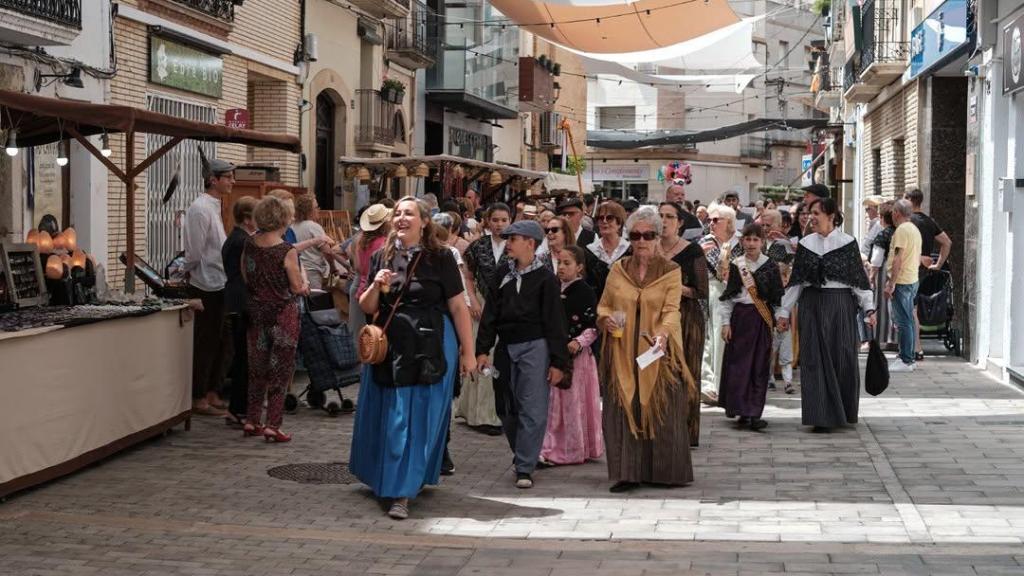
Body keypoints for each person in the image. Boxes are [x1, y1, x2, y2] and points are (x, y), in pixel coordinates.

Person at [350, 197, 476, 520]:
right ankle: (392, 481)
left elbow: (459, 307)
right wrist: (376, 286)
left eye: (409, 213)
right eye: (398, 214)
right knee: (393, 416)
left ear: (424, 221)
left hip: (431, 344)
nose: (402, 218)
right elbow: (367, 307)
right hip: (391, 345)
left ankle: (403, 492)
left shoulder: (442, 257)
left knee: (417, 418)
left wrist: (469, 352)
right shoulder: (382, 255)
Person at [598, 206, 693, 492]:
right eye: (636, 236)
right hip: (622, 350)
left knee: (663, 408)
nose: (641, 241)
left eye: (648, 235)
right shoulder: (618, 269)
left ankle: (665, 472)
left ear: (657, 236)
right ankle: (627, 473)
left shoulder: (671, 270)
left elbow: (672, 310)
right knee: (623, 408)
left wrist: (663, 336)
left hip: (657, 350)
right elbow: (603, 304)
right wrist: (606, 319)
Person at [476, 220, 569, 490]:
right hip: (506, 346)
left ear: (530, 243)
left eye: (513, 239)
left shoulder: (546, 279)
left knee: (532, 407)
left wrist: (558, 362)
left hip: (535, 346)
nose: (508, 244)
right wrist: (482, 349)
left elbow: (555, 323)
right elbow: (490, 314)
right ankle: (524, 452)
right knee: (505, 406)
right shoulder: (501, 272)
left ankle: (525, 466)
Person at [777, 198, 875, 433]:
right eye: (810, 212)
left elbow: (859, 281)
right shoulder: (806, 244)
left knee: (842, 357)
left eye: (816, 213)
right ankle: (820, 415)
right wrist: (784, 311)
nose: (811, 217)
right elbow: (796, 283)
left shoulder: (847, 242)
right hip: (811, 305)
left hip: (841, 304)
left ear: (831, 216)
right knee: (813, 360)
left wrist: (869, 308)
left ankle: (843, 411)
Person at [242, 195, 308, 443]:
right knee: (280, 371)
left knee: (257, 369)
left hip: (256, 314)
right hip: (283, 315)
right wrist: (304, 287)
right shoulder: (286, 250)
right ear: (282, 219)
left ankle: (251, 420)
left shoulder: (249, 243)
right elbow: (295, 286)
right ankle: (273, 424)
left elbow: (245, 275)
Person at [539, 245, 604, 465]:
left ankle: (573, 449)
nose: (562, 267)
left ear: (579, 267)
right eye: (560, 263)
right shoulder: (552, 287)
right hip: (553, 354)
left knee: (573, 403)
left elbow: (594, 324)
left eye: (568, 263)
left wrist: (579, 341)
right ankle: (551, 446)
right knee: (552, 403)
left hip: (577, 359)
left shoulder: (584, 291)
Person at [718, 224, 784, 431]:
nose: (751, 243)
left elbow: (777, 298)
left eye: (756, 240)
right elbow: (728, 297)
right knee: (739, 366)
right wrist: (726, 323)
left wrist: (780, 318)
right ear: (742, 241)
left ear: (762, 242)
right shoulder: (738, 265)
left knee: (758, 366)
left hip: (761, 321)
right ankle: (740, 410)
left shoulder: (770, 266)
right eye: (748, 239)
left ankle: (754, 412)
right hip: (740, 319)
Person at [182, 157, 234, 416]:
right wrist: (185, 271)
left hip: (219, 281)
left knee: (222, 341)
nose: (232, 182)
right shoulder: (200, 209)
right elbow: (194, 250)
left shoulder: (214, 207)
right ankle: (198, 395)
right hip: (205, 284)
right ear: (213, 179)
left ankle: (213, 390)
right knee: (206, 342)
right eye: (228, 177)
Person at [460, 203, 513, 435]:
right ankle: (478, 413)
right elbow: (468, 277)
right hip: (481, 305)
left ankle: (496, 412)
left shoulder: (516, 245)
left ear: (510, 221)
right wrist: (472, 299)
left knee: (498, 359)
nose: (499, 224)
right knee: (480, 356)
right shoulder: (478, 246)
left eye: (504, 220)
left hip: (507, 306)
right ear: (487, 221)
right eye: (495, 220)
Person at [659, 202, 708, 446]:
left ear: (679, 223)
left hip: (686, 317)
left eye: (669, 216)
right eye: (660, 216)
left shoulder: (693, 251)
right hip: (655, 318)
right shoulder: (648, 248)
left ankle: (687, 432)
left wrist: (674, 287)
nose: (664, 221)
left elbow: (702, 291)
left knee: (686, 373)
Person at [904, 188, 953, 361]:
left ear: (909, 200)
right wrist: (938, 264)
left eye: (904, 198)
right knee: (912, 309)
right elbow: (947, 242)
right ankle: (913, 348)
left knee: (910, 310)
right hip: (923, 271)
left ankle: (915, 349)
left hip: (908, 270)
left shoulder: (908, 222)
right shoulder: (929, 221)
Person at [222, 196, 258, 427]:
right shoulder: (242, 241)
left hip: (236, 299)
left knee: (243, 357)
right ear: (247, 218)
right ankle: (237, 409)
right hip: (241, 301)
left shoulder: (236, 238)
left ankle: (239, 407)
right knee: (244, 357)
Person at [698, 203, 739, 406]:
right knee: (713, 338)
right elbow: (720, 271)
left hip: (738, 295)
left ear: (729, 222)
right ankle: (712, 386)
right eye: (710, 220)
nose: (711, 223)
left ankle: (726, 385)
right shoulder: (707, 242)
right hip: (714, 292)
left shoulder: (739, 241)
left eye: (716, 220)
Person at [885, 199, 923, 372]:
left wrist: (891, 283)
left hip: (902, 281)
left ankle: (906, 359)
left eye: (893, 211)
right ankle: (908, 357)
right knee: (907, 319)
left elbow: (898, 258)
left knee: (903, 321)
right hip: (911, 279)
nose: (891, 214)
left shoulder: (902, 230)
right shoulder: (914, 229)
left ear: (897, 213)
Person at [761, 209, 796, 394]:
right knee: (767, 339)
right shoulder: (756, 243)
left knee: (783, 335)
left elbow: (794, 264)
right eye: (763, 225)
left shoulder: (783, 244)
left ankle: (787, 379)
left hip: (782, 296)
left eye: (769, 225)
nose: (766, 229)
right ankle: (769, 377)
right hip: (760, 297)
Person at [586, 201, 629, 297]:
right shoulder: (589, 251)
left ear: (619, 223)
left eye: (609, 218)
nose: (604, 221)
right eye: (600, 218)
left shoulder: (630, 250)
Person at [869, 201, 897, 347]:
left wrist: (872, 276)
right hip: (901, 272)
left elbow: (876, 259)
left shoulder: (882, 234)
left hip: (884, 271)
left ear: (881, 218)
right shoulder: (901, 232)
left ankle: (883, 337)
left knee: (882, 305)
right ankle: (896, 338)